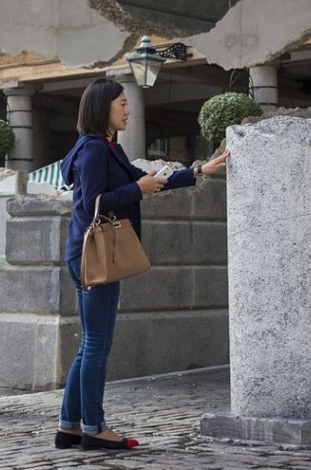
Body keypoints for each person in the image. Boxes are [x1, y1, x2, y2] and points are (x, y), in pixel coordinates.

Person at [55, 77, 229, 451]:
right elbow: (89, 205)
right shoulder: (94, 151)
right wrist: (137, 190)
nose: (128, 110)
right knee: (98, 343)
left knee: (89, 343)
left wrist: (200, 171)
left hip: (86, 254)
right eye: (122, 103)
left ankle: (70, 426)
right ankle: (94, 428)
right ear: (103, 108)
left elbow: (148, 180)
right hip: (94, 255)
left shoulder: (107, 148)